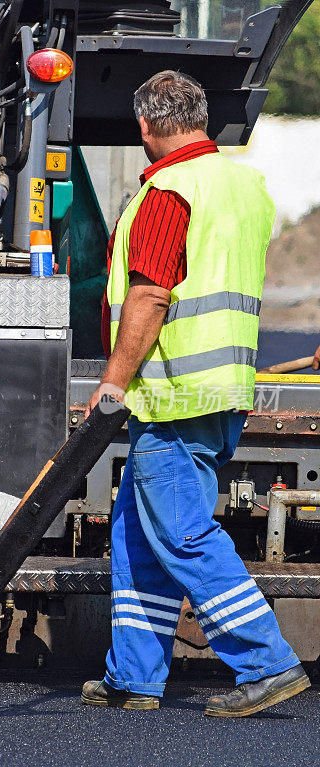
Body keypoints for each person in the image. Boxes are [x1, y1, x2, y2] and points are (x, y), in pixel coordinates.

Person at [82, 70, 310, 717]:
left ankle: (267, 663)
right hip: (224, 384)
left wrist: (113, 382)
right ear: (200, 116)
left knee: (180, 533)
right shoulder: (244, 184)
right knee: (134, 533)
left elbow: (152, 293)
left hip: (175, 393)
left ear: (146, 126)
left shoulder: (168, 189)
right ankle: (135, 676)